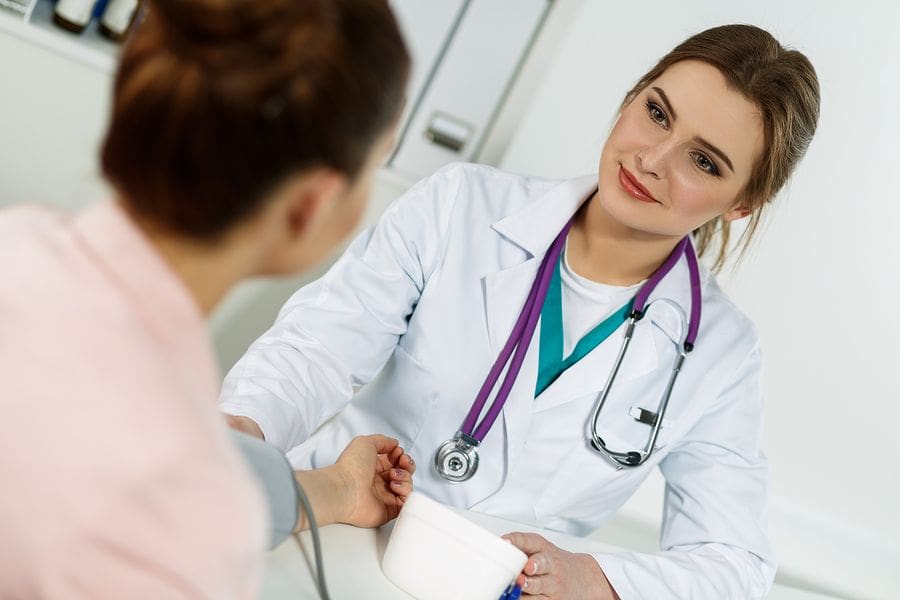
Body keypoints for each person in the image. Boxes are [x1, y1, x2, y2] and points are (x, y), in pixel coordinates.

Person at [221, 23, 820, 598]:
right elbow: (316, 351)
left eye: (704, 161)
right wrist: (240, 435)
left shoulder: (721, 351)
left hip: (491, 589)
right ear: (633, 95)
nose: (653, 159)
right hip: (322, 541)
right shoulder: (460, 206)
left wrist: (598, 581)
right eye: (657, 113)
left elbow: (735, 563)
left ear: (742, 203)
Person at [0, 0, 414, 597]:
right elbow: (188, 486)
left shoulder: (20, 242)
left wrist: (341, 490)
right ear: (313, 203)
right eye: (375, 166)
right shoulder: (187, 517)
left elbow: (207, 472)